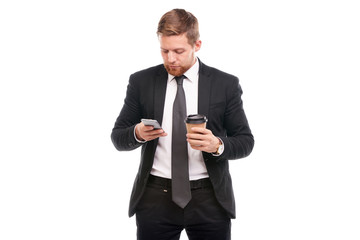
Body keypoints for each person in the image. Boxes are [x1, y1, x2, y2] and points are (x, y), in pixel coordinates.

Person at [111, 8, 254, 240]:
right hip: (155, 198)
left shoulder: (225, 84)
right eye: (164, 50)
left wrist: (217, 145)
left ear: (197, 45)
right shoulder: (141, 82)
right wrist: (137, 133)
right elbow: (118, 137)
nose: (171, 59)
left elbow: (245, 141)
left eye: (178, 51)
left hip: (210, 198)